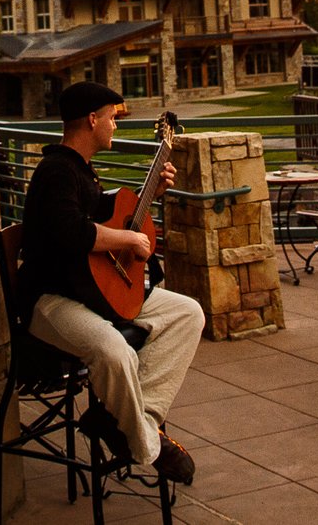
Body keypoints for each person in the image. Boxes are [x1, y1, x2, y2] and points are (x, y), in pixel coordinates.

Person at [18, 81, 204, 485]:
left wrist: (150, 193)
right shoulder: (55, 171)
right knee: (114, 350)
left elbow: (108, 217)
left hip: (90, 291)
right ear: (91, 119)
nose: (115, 126)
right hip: (51, 300)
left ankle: (126, 418)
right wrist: (130, 239)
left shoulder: (82, 172)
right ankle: (147, 448)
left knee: (188, 313)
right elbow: (74, 232)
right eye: (111, 117)